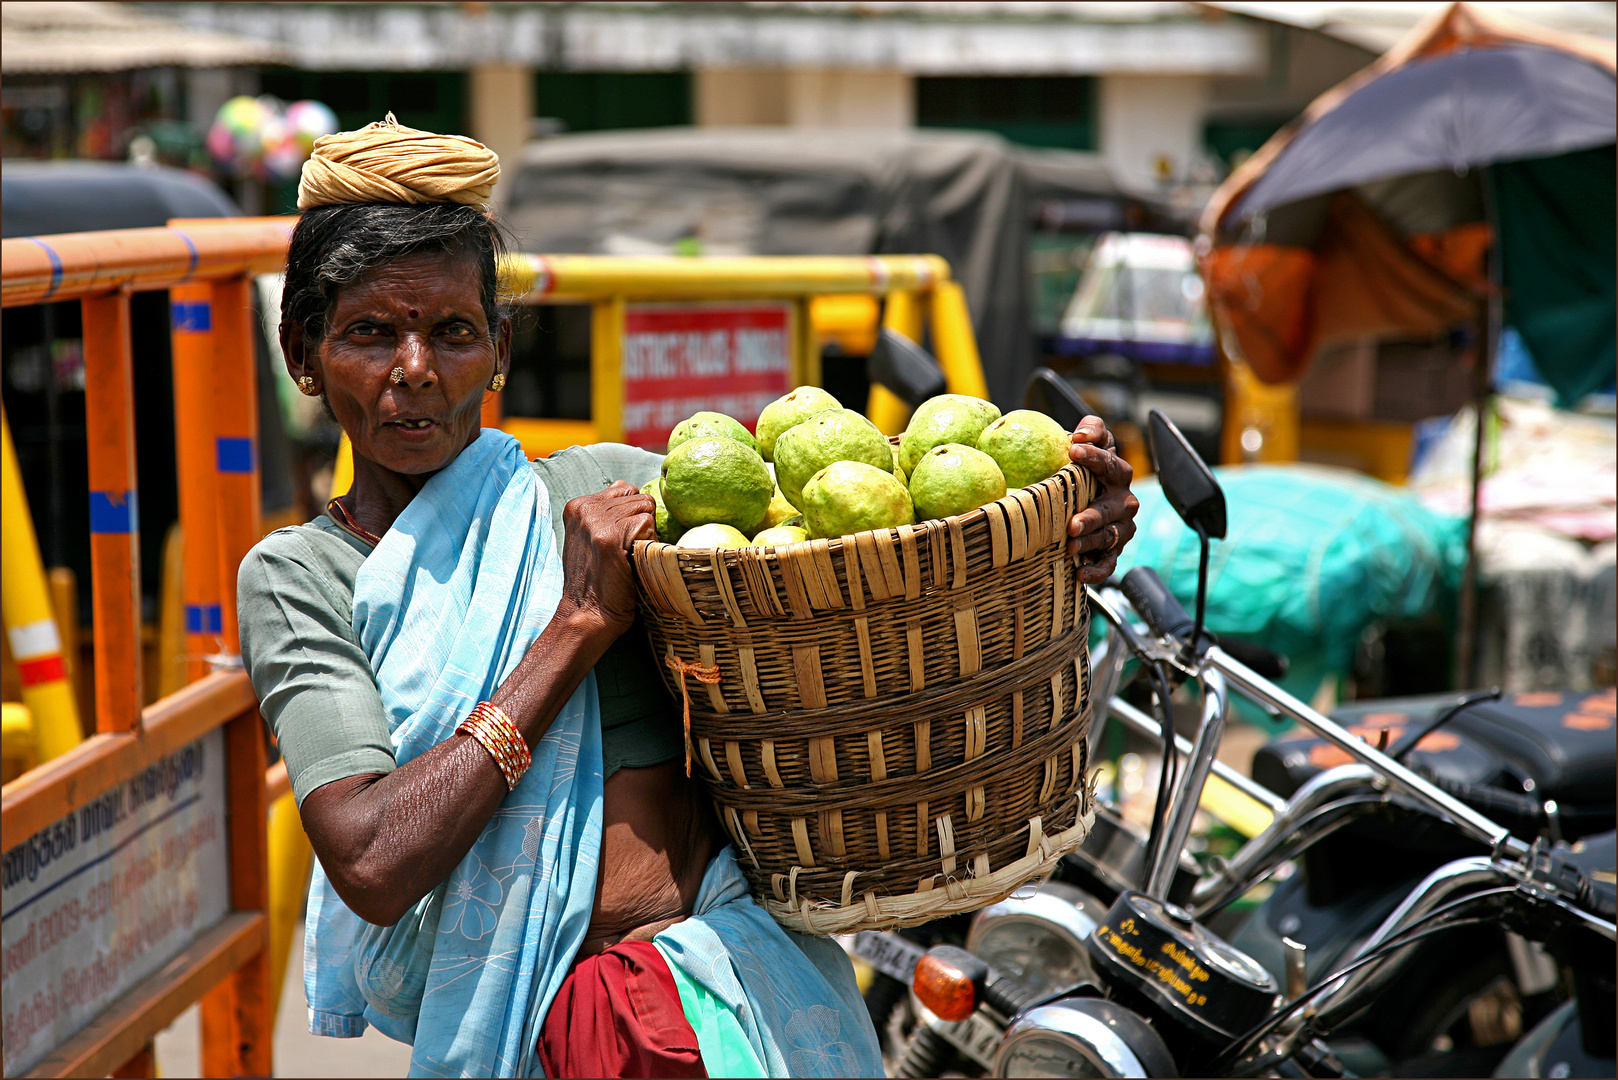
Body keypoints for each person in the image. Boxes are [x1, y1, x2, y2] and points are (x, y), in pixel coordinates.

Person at [238, 115, 1139, 1079]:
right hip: (562, 1033)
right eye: (371, 333)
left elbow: (866, 556)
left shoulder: (615, 492)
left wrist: (1051, 533)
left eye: (452, 332)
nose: (415, 370)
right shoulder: (300, 576)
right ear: (303, 355)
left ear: (498, 349)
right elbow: (373, 862)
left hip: (740, 992)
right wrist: (577, 627)